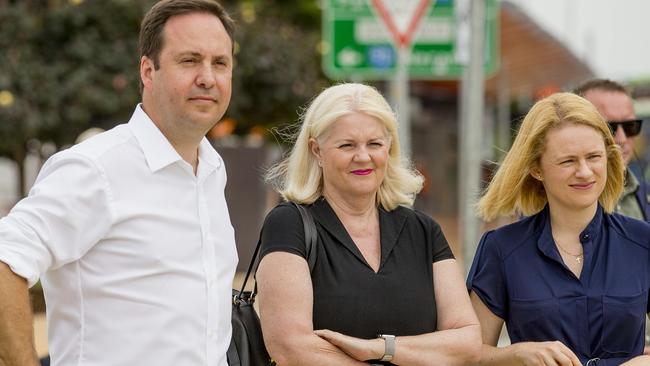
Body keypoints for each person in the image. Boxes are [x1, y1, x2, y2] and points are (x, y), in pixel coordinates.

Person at [0, 1, 237, 365]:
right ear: (148, 70)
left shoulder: (211, 170)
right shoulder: (95, 168)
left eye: (220, 62)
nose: (207, 77)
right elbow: (5, 259)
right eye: (189, 60)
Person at [256, 83, 481, 365]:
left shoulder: (423, 230)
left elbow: (468, 342)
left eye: (374, 144)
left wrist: (380, 349)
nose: (363, 156)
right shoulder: (289, 224)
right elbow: (290, 346)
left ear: (389, 147)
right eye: (347, 145)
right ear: (317, 151)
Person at [467, 92, 650, 365]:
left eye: (594, 157)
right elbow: (467, 356)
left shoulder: (643, 241)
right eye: (568, 161)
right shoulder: (501, 249)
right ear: (536, 168)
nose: (585, 172)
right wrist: (515, 355)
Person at [574, 79, 649, 222]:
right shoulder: (558, 203)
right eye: (609, 127)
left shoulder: (646, 194)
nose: (622, 139)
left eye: (630, 126)